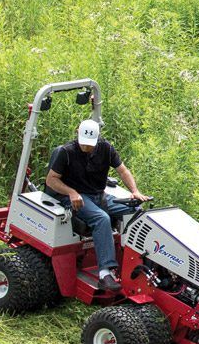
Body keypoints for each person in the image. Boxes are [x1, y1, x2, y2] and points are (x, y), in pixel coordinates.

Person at [44, 118, 148, 291]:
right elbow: (51, 180)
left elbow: (122, 170)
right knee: (101, 219)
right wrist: (71, 192)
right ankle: (105, 273)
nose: (86, 147)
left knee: (135, 211)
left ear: (98, 138)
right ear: (77, 133)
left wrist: (135, 191)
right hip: (75, 198)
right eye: (84, 144)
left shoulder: (106, 148)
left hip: (99, 196)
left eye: (90, 144)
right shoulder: (66, 152)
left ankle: (134, 260)